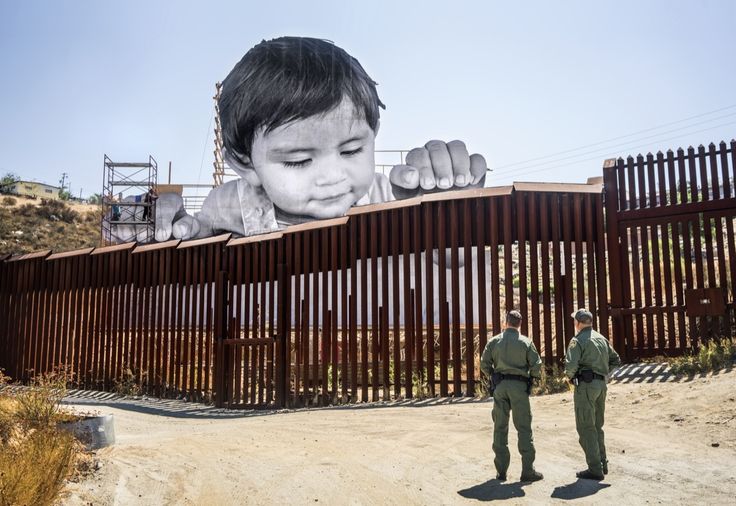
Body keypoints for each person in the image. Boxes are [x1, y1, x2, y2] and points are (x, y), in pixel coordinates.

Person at [149, 36, 488, 242]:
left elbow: (448, 266)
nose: (332, 176)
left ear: (373, 136)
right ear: (244, 162)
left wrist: (451, 216)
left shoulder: (392, 198)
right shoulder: (227, 209)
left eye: (352, 150)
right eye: (298, 160)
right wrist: (173, 237)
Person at [480, 310, 543, 483]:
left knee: (500, 427)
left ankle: (501, 472)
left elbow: (484, 364)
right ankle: (527, 471)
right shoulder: (526, 342)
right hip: (519, 387)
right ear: (520, 324)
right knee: (524, 428)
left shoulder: (494, 342)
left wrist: (493, 375)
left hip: (500, 387)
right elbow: (537, 365)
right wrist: (531, 379)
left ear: (505, 322)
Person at [564, 308, 621, 481]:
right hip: (601, 385)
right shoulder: (601, 338)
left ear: (579, 323)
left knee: (585, 427)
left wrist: (571, 377)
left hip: (586, 387)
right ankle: (602, 464)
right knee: (597, 426)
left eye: (575, 321)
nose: (574, 323)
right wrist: (602, 373)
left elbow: (570, 366)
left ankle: (595, 469)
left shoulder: (577, 340)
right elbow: (616, 360)